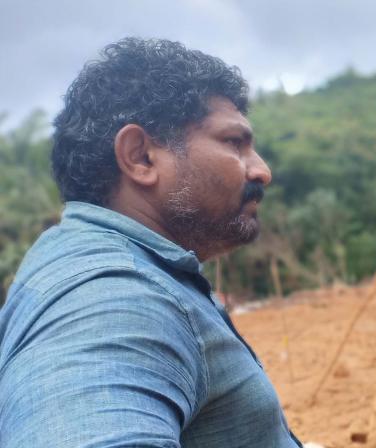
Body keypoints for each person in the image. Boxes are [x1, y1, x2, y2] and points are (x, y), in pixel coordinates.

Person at [0, 37, 302, 447]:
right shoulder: (112, 298)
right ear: (141, 157)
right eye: (235, 142)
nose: (262, 171)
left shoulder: (92, 256)